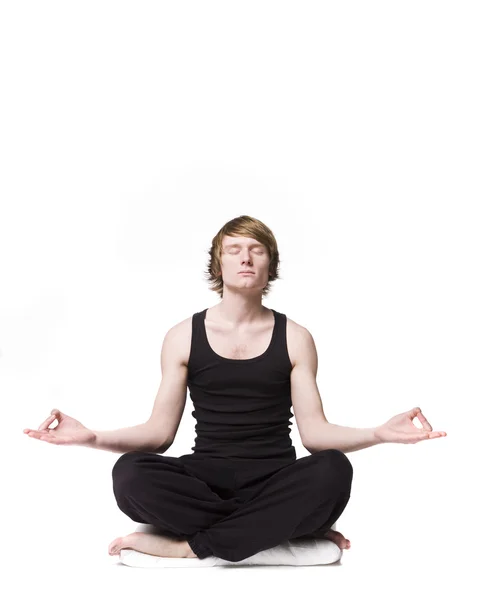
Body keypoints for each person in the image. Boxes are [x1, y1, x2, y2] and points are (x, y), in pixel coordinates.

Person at [23, 214, 447, 563]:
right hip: (206, 479)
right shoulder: (182, 336)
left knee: (334, 470)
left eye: (257, 250)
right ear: (218, 264)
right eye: (234, 250)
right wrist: (91, 437)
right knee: (130, 473)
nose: (246, 258)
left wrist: (379, 433)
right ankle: (273, 532)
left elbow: (315, 437)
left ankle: (192, 547)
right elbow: (158, 435)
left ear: (269, 266)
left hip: (275, 477)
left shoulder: (296, 337)